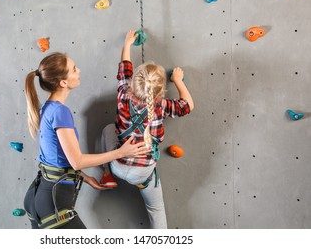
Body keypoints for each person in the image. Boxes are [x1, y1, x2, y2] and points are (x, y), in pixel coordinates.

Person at [23, 52, 150, 229]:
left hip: (39, 196)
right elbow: (77, 161)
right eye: (74, 69)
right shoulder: (60, 112)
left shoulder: (48, 107)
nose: (79, 70)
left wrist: (85, 177)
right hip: (54, 204)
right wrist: (121, 152)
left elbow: (58, 157)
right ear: (63, 82)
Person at [100, 30, 194, 229]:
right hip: (142, 173)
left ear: (134, 82)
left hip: (117, 163)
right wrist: (177, 80)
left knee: (109, 129)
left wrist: (127, 44)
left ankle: (106, 172)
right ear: (161, 91)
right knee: (156, 208)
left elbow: (124, 69)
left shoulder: (123, 94)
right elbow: (187, 105)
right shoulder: (162, 106)